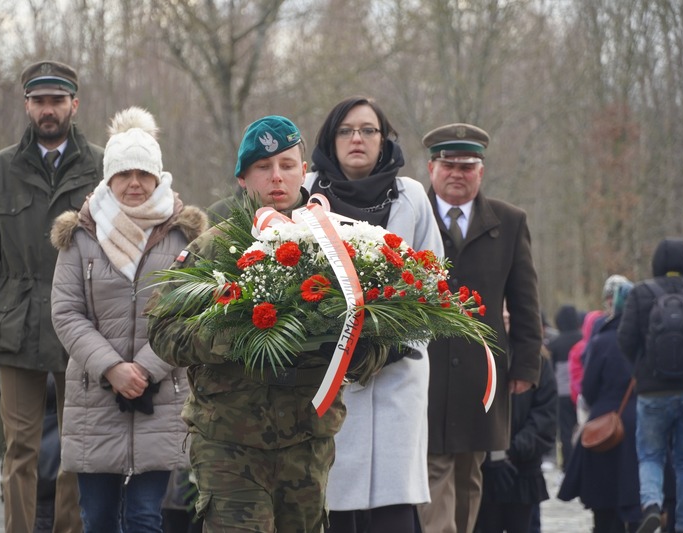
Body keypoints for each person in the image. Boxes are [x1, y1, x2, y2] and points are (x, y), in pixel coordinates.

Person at [147, 115, 387, 532]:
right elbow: (162, 330)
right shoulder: (214, 248)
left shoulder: (338, 249)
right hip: (228, 445)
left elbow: (377, 337)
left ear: (305, 171)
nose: (277, 177)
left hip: (306, 445)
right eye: (263, 167)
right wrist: (237, 335)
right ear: (243, 178)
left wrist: (349, 347)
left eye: (287, 165)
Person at [0, 59, 103, 533]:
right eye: (39, 101)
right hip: (16, 321)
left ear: (74, 104)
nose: (48, 110)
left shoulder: (103, 165)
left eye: (57, 101)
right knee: (21, 447)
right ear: (27, 106)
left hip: (82, 321)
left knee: (77, 446)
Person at [50, 106, 204, 531]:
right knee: (97, 517)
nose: (134, 184)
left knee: (143, 516)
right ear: (108, 178)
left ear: (157, 176)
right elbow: (66, 312)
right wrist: (113, 368)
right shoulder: (79, 234)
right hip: (94, 398)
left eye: (143, 174)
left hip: (162, 397)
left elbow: (191, 311)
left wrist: (148, 367)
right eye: (124, 174)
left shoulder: (183, 235)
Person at [302, 96, 442, 533]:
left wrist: (399, 337)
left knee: (394, 505)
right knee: (335, 499)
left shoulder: (412, 196)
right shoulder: (307, 194)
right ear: (330, 138)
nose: (357, 139)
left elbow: (434, 277)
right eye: (346, 130)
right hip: (331, 371)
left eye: (368, 130)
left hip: (398, 373)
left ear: (384, 140)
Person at [416, 123, 542, 533]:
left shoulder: (509, 221)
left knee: (471, 471)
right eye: (448, 164)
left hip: (481, 372)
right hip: (425, 365)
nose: (457, 173)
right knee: (434, 464)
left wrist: (525, 367)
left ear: (481, 171)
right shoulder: (413, 215)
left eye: (467, 166)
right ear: (431, 168)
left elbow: (525, 301)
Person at [618, 238, 683, 533]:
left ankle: (652, 506)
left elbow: (625, 339)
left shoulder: (640, 294)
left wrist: (642, 368)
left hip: (652, 391)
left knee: (650, 455)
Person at [558, 277, 642, 533]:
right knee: (635, 495)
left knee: (604, 507)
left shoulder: (602, 341)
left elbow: (588, 388)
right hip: (640, 422)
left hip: (605, 426)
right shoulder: (644, 339)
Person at [476, 302, 557, 533]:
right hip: (485, 469)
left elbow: (545, 416)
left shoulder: (539, 362)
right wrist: (493, 454)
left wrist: (512, 450)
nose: (505, 315)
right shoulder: (478, 355)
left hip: (523, 472)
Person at [547, 305, 582, 472]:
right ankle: (584, 461)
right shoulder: (583, 339)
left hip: (561, 392)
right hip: (581, 392)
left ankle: (568, 465)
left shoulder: (554, 344)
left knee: (566, 431)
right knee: (582, 427)